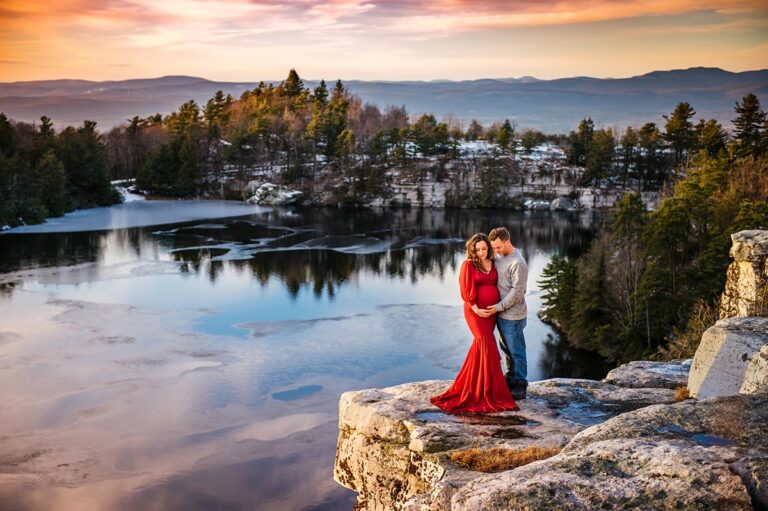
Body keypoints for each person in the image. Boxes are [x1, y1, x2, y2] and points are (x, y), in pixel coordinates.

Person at [430, 233, 519, 413]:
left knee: (485, 345)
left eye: (484, 249)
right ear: (473, 250)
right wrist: (475, 308)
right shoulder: (468, 265)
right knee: (484, 342)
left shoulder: (493, 263)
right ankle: (481, 389)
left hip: (492, 311)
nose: (481, 252)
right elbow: (465, 290)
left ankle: (482, 384)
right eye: (477, 250)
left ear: (488, 247)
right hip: (475, 312)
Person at [486, 227, 529, 399]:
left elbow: (518, 293)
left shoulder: (518, 263)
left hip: (513, 316)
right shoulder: (499, 257)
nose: (495, 251)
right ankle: (510, 377)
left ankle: (520, 384)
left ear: (507, 242)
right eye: (493, 247)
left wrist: (498, 307)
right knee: (506, 349)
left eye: (498, 247)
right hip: (501, 314)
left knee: (516, 350)